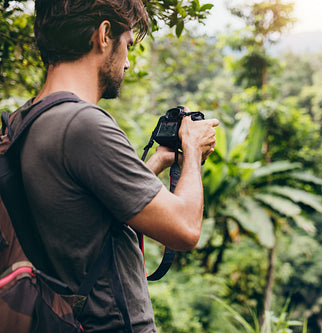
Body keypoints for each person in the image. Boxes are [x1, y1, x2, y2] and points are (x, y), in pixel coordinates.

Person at [14, 0, 219, 331]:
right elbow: (185, 229)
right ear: (104, 34)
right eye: (127, 45)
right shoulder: (83, 125)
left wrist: (159, 162)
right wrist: (193, 150)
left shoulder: (27, 119)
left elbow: (83, 208)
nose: (127, 63)